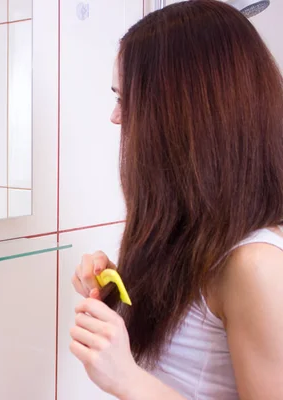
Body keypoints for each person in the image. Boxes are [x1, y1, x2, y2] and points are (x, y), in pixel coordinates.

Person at [70, 1, 283, 399]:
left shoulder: (257, 266)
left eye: (126, 98)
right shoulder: (194, 232)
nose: (116, 117)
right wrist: (118, 289)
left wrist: (128, 379)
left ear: (178, 113)